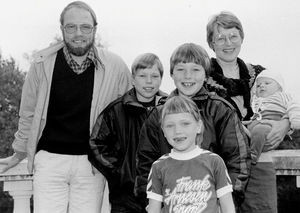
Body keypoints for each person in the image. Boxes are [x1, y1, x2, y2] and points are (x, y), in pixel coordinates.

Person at [0, 1, 131, 213]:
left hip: (91, 166)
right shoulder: (42, 64)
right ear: (62, 29)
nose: (78, 33)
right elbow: (28, 113)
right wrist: (19, 153)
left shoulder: (115, 66)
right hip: (49, 161)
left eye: (85, 27)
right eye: (71, 27)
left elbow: (130, 110)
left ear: (95, 29)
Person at [135, 43, 250, 211]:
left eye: (196, 70)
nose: (188, 76)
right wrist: (153, 206)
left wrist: (223, 204)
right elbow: (144, 166)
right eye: (181, 69)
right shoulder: (157, 115)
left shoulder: (221, 110)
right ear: (172, 74)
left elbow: (239, 162)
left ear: (205, 75)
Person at [88, 53, 167, 213]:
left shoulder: (171, 108)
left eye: (154, 76)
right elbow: (95, 144)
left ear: (161, 78)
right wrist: (120, 172)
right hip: (126, 197)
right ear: (132, 79)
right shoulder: (116, 109)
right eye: (143, 76)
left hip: (165, 193)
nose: (149, 81)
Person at [206, 11, 290, 152]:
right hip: (224, 159)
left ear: (241, 38)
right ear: (211, 43)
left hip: (266, 158)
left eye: (233, 37)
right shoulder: (203, 79)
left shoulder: (260, 75)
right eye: (220, 38)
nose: (228, 43)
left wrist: (285, 124)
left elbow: (288, 103)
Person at [146, 95, 235, 213]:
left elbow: (227, 206)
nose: (177, 131)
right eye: (170, 125)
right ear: (163, 131)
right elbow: (153, 209)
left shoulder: (214, 162)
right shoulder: (158, 166)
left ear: (198, 126)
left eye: (185, 123)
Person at [241, 69, 300, 213]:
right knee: (243, 130)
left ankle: (252, 157)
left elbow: (294, 107)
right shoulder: (255, 100)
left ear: (279, 87)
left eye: (267, 83)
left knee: (260, 132)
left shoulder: (282, 96)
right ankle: (247, 150)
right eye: (259, 85)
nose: (262, 86)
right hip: (256, 123)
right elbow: (253, 115)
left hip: (270, 123)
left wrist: (294, 120)